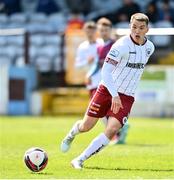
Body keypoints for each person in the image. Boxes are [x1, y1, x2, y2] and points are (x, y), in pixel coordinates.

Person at [60, 13, 155, 169]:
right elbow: (105, 72)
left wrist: (120, 96)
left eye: (141, 28)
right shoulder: (120, 45)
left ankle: (79, 159)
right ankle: (71, 134)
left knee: (111, 130)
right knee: (86, 126)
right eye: (134, 27)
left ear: (147, 29)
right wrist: (114, 95)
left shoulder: (149, 48)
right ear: (129, 27)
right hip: (106, 90)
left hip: (127, 96)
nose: (137, 31)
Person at [87, 17, 129, 144]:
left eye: (106, 30)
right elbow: (98, 64)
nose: (103, 32)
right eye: (101, 30)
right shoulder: (100, 46)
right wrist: (90, 74)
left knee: (103, 111)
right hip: (100, 82)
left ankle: (118, 131)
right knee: (103, 111)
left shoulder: (115, 45)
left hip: (112, 83)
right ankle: (119, 130)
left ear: (110, 30)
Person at [75, 21, 102, 97]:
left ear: (96, 32)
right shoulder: (82, 47)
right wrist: (87, 61)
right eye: (88, 32)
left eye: (92, 31)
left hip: (104, 81)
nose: (90, 34)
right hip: (92, 82)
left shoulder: (102, 44)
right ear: (84, 32)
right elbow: (78, 66)